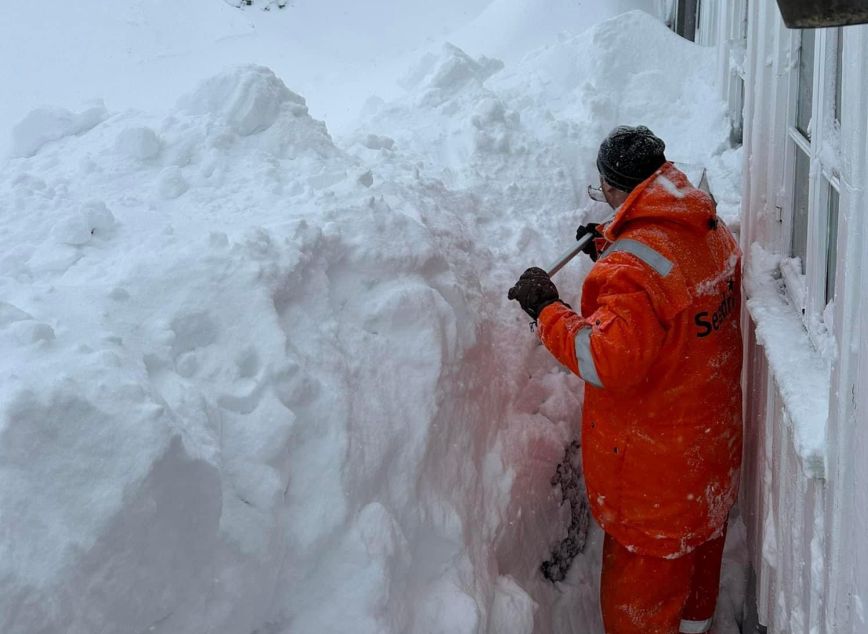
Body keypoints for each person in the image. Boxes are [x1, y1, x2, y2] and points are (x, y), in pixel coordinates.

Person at [508, 125, 743, 634]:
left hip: (655, 482)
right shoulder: (707, 226)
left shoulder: (634, 271)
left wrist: (547, 310)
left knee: (641, 613)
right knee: (696, 589)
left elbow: (606, 360)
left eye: (603, 191)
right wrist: (615, 243)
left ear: (617, 189)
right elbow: (674, 293)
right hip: (709, 457)